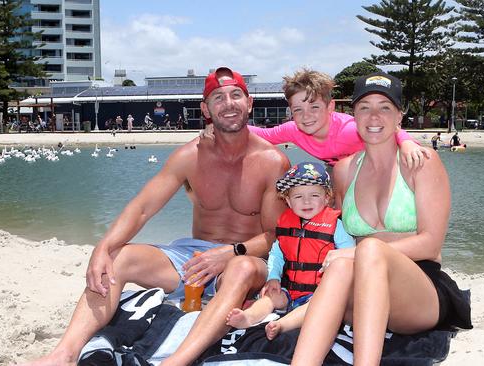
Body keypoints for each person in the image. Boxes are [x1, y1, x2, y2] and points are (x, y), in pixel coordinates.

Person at [23, 67, 290, 366]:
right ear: (205, 108)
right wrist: (104, 247)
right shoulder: (190, 156)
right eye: (218, 97)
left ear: (249, 102)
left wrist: (230, 252)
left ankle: (175, 361)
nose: (228, 103)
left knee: (240, 269)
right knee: (119, 258)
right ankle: (63, 354)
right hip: (191, 259)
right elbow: (142, 207)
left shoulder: (272, 162)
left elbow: (275, 236)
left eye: (236, 95)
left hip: (244, 260)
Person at [291, 72, 472, 365]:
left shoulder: (420, 163)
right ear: (354, 115)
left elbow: (430, 244)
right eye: (364, 107)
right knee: (339, 270)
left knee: (369, 249)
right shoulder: (344, 171)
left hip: (417, 291)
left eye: (385, 107)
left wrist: (357, 252)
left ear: (399, 116)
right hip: (360, 289)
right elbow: (331, 230)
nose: (374, 115)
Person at [225, 161, 354, 340]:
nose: (306, 201)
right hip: (290, 289)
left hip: (319, 292)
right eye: (298, 197)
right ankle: (249, 317)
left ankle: (283, 325)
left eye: (314, 195)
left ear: (326, 198)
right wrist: (273, 278)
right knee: (271, 297)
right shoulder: (286, 225)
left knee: (316, 305)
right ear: (288, 201)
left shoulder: (335, 226)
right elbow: (277, 255)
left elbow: (350, 253)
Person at [202, 68, 429, 169]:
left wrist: (408, 142)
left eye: (314, 106)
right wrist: (216, 126)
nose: (306, 116)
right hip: (337, 173)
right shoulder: (295, 130)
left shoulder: (350, 130)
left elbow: (384, 128)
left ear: (330, 106)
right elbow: (263, 134)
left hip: (370, 171)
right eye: (298, 109)